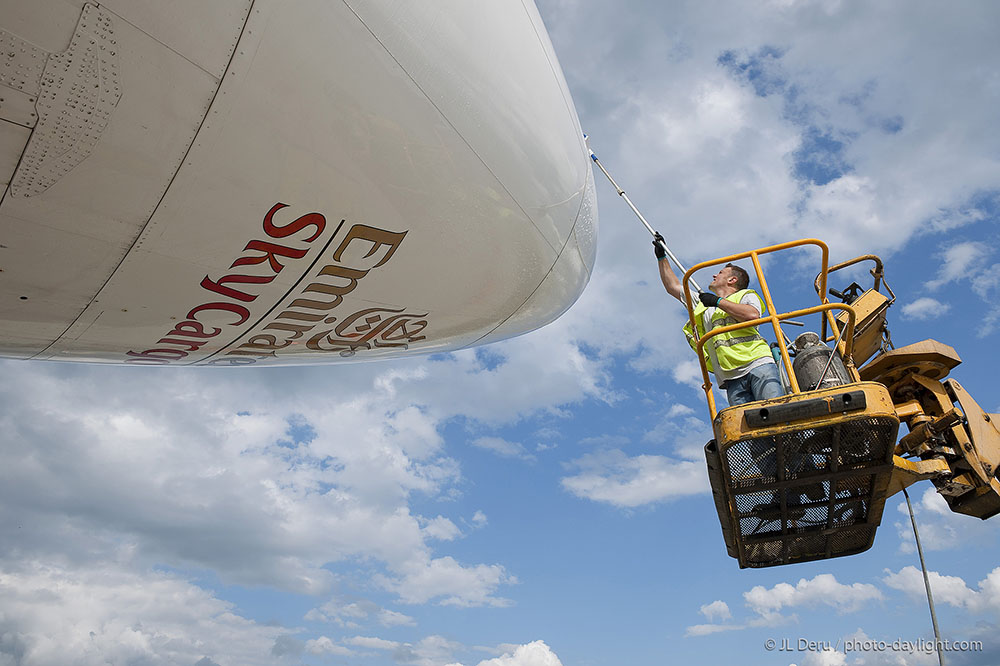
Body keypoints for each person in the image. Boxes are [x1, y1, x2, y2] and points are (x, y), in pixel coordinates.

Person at [653, 233, 783, 406]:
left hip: (758, 364)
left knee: (776, 411)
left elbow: (751, 315)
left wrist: (718, 302)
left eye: (720, 273)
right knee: (746, 429)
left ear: (732, 280)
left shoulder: (745, 295)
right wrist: (662, 257)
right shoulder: (703, 304)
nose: (714, 275)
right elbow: (673, 287)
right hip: (730, 376)